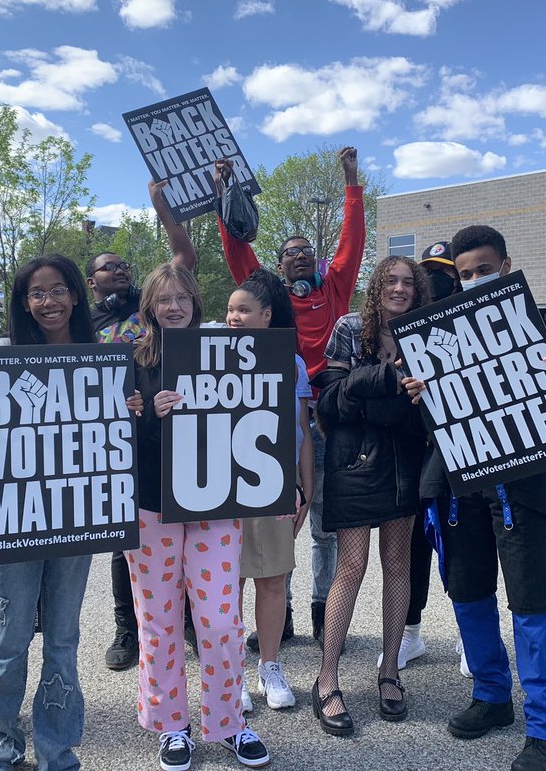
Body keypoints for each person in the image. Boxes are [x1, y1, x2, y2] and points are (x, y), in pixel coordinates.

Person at [0, 253, 142, 771]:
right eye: (36, 293)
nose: (48, 301)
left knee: (63, 638)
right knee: (12, 638)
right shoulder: (4, 353)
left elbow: (114, 444)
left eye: (57, 290)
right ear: (22, 301)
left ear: (76, 295)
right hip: (18, 515)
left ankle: (57, 750)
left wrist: (127, 414)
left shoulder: (99, 358)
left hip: (75, 518)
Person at [404, 225, 546, 771]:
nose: (476, 280)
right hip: (457, 485)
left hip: (518, 486)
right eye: (466, 272)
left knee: (529, 599)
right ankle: (492, 696)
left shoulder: (535, 323)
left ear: (505, 264)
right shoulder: (438, 334)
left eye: (485, 269)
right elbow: (432, 418)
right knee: (468, 592)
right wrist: (422, 393)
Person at [214, 147, 366, 646]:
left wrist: (351, 183)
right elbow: (239, 253)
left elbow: (351, 242)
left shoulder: (336, 289)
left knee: (323, 520)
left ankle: (325, 608)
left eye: (306, 251)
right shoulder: (268, 304)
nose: (299, 255)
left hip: (329, 413)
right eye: (289, 252)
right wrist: (224, 196)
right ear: (279, 268)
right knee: (276, 520)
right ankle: (281, 612)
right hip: (272, 415)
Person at [124, 261, 271, 770]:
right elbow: (113, 441)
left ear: (196, 303)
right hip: (151, 507)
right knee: (159, 621)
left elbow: (259, 415)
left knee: (219, 621)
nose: (174, 307)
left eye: (183, 297)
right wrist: (146, 417)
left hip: (215, 505)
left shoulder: (228, 354)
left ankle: (229, 722)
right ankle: (170, 726)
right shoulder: (130, 361)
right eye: (164, 299)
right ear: (149, 306)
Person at [310, 255, 430, 737]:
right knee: (351, 565)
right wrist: (383, 381)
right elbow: (330, 401)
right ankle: (327, 678)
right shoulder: (349, 326)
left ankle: (390, 671)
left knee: (398, 561)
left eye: (407, 283)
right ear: (377, 286)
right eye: (390, 281)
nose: (399, 289)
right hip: (355, 460)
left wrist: (419, 397)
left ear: (418, 291)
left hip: (405, 459)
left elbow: (438, 404)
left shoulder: (428, 330)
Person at [89, 179, 198, 672]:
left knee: (194, 546)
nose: (116, 270)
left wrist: (161, 205)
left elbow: (181, 257)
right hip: (133, 454)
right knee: (126, 550)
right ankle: (127, 630)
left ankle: (194, 624)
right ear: (92, 282)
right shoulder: (86, 325)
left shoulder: (155, 301)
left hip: (192, 463)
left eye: (121, 265)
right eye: (106, 267)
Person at [226, 270, 314, 715]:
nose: (234, 317)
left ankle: (271, 665)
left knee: (273, 578)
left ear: (266, 315)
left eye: (243, 310)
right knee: (229, 581)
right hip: (222, 487)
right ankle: (231, 671)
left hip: (274, 484)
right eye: (229, 310)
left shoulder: (291, 362)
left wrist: (305, 486)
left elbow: (300, 429)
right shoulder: (211, 355)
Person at [377, 240, 462, 673]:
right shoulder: (403, 329)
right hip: (418, 452)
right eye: (429, 274)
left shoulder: (467, 323)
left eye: (444, 273)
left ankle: (469, 636)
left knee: (464, 544)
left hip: (464, 449)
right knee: (412, 549)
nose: (437, 281)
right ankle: (410, 633)